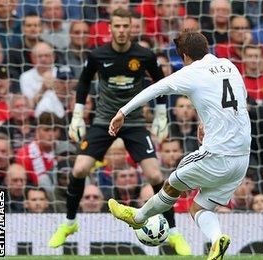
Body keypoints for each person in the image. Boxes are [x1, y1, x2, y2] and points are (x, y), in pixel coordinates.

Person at [48, 8, 192, 255]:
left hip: (134, 122)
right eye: (118, 26)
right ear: (110, 28)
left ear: (131, 28)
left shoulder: (144, 55)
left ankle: (174, 233)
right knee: (79, 169)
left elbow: (160, 82)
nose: (122, 31)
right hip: (104, 121)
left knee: (156, 176)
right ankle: (69, 224)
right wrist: (77, 115)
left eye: (126, 26)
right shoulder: (97, 54)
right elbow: (83, 82)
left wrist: (160, 115)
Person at [106, 29, 251, 260]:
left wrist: (123, 111)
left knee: (172, 184)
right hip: (242, 158)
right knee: (199, 208)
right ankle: (216, 242)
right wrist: (205, 122)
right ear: (206, 48)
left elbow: (155, 88)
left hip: (217, 154)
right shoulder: (229, 66)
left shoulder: (191, 72)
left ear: (184, 56)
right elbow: (238, 101)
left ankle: (139, 217)